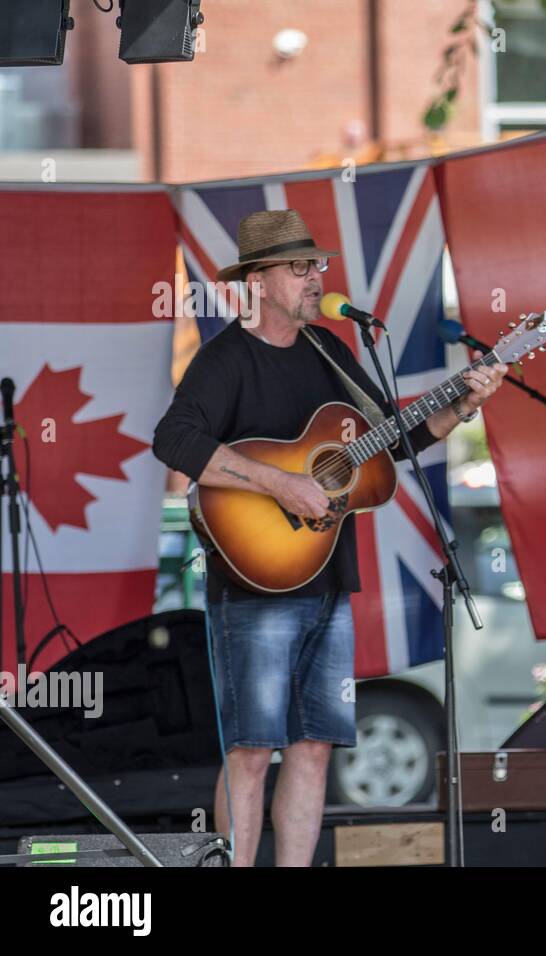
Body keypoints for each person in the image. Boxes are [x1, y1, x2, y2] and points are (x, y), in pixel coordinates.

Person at [152, 209, 507, 865]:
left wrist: (461, 405)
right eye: (300, 267)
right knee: (253, 750)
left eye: (318, 265)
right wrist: (278, 484)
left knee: (315, 745)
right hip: (253, 583)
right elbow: (173, 440)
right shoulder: (226, 359)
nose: (316, 277)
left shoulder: (332, 351)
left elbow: (388, 445)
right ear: (257, 280)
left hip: (329, 578)